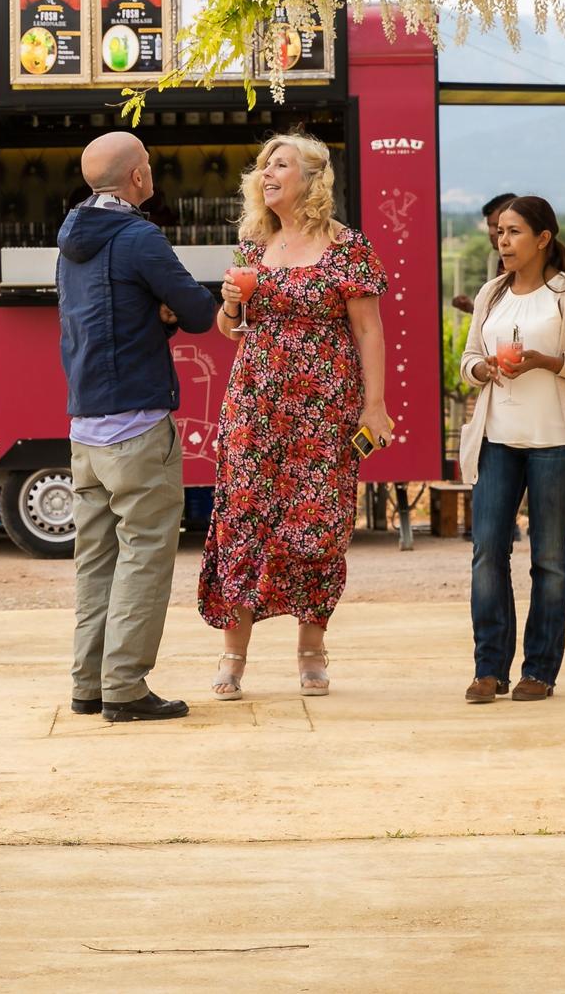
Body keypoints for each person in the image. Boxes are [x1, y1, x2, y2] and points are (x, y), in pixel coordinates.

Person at [200, 134, 392, 700]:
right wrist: (231, 303)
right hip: (255, 404)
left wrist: (373, 405)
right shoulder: (253, 246)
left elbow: (368, 331)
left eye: (280, 164)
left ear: (311, 178)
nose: (267, 173)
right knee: (243, 519)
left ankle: (312, 649)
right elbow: (230, 330)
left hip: (324, 406)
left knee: (318, 524)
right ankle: (232, 655)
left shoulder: (346, 247)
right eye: (263, 165)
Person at [57, 132, 218, 723]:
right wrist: (169, 311)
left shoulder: (70, 239)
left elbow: (100, 322)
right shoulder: (139, 238)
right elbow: (201, 312)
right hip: (137, 426)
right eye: (147, 168)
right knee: (146, 554)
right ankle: (124, 687)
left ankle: (88, 683)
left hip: (85, 427)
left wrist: (153, 314)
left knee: (95, 559)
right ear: (138, 179)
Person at [457, 195, 565, 704]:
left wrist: (545, 361)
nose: (502, 241)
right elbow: (467, 362)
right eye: (499, 232)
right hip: (497, 441)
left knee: (549, 558)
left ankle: (540, 671)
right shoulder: (492, 293)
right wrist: (486, 369)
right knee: (487, 551)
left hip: (557, 444)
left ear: (543, 239)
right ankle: (489, 668)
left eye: (513, 232)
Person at [449, 193, 518, 315]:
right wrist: (472, 308)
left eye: (497, 227)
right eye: (489, 226)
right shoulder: (503, 262)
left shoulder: (527, 268)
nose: (491, 232)